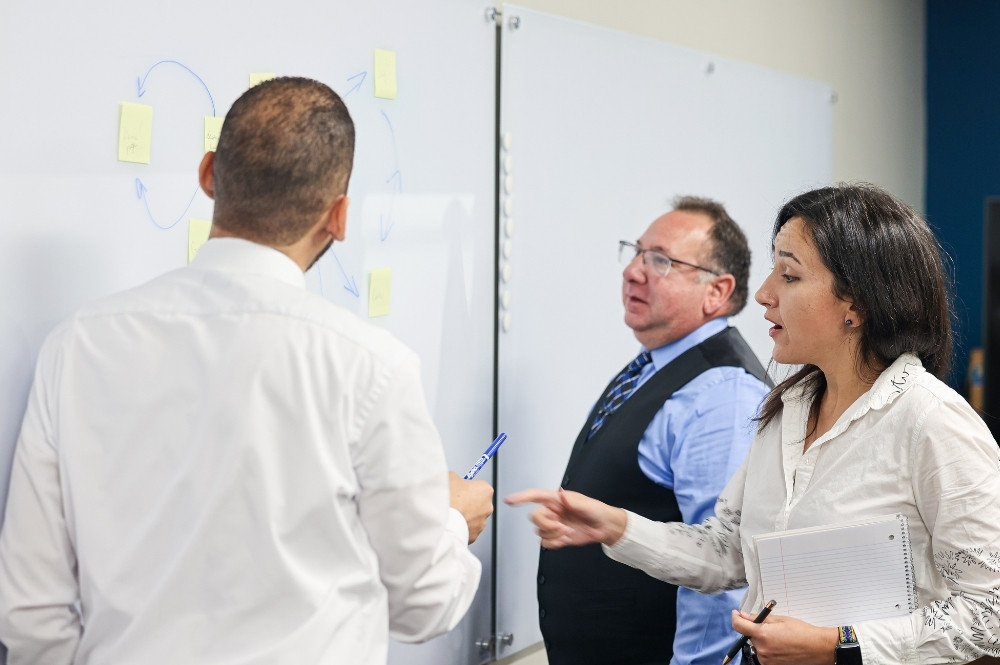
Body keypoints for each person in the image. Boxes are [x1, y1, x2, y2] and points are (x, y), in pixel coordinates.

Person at [0, 77, 494, 665]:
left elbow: (31, 614)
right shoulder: (372, 368)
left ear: (208, 173)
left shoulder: (76, 345)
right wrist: (452, 522)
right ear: (339, 217)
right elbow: (422, 606)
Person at [509, 183, 1000, 665]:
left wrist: (838, 646)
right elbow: (730, 552)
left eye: (789, 275)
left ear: (856, 304)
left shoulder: (931, 420)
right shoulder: (786, 411)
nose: (764, 294)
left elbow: (990, 613)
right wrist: (616, 527)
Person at [537, 197, 771, 665]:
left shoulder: (723, 393)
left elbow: (722, 567)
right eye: (637, 252)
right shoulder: (654, 365)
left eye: (660, 261)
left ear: (716, 291)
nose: (633, 272)